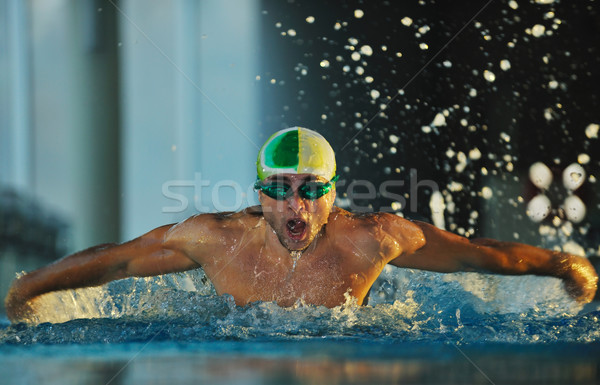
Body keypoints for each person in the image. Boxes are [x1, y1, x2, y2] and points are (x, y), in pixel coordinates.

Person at [4, 127, 598, 322]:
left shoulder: (373, 238)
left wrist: (559, 263)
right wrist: (32, 285)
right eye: (280, 191)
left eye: (311, 191)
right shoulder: (214, 238)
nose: (295, 208)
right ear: (258, 193)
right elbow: (118, 260)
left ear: (333, 192)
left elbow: (475, 254)